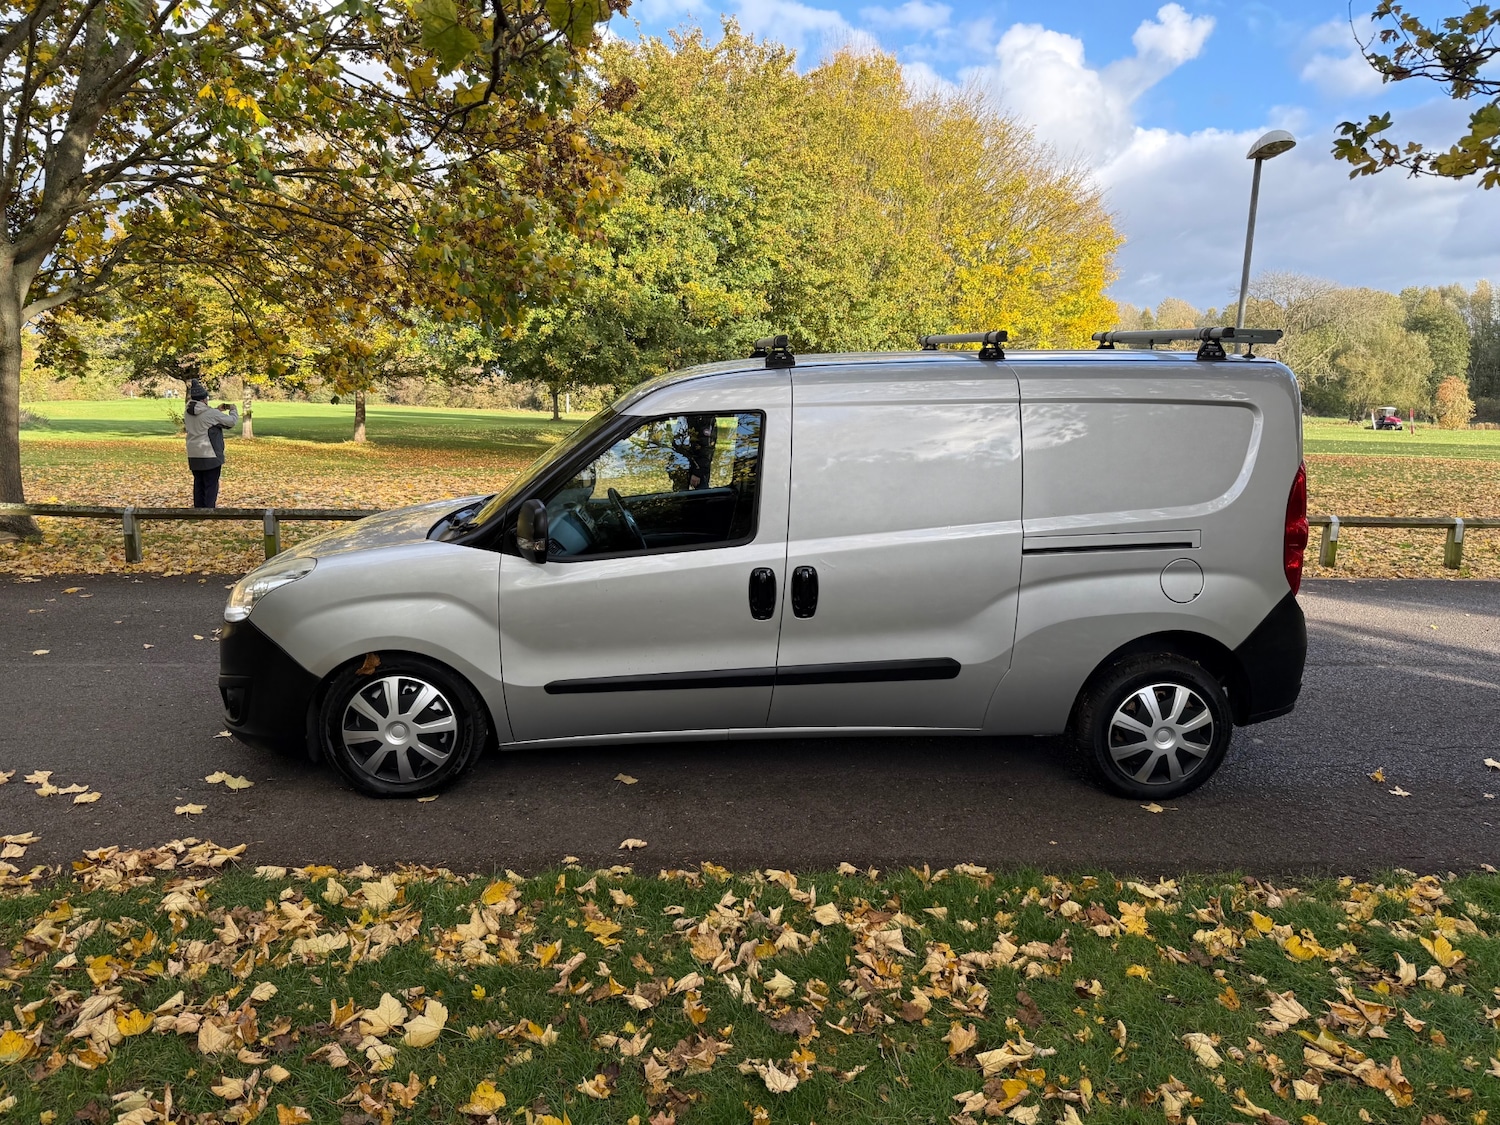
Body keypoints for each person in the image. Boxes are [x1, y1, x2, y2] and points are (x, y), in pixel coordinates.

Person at [184, 380, 238, 509]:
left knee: (199, 483)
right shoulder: (211, 414)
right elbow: (231, 422)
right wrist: (233, 410)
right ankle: (209, 511)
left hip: (193, 453)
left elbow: (204, 417)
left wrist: (216, 410)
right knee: (211, 484)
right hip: (210, 453)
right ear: (204, 399)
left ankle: (198, 510)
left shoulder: (187, 411)